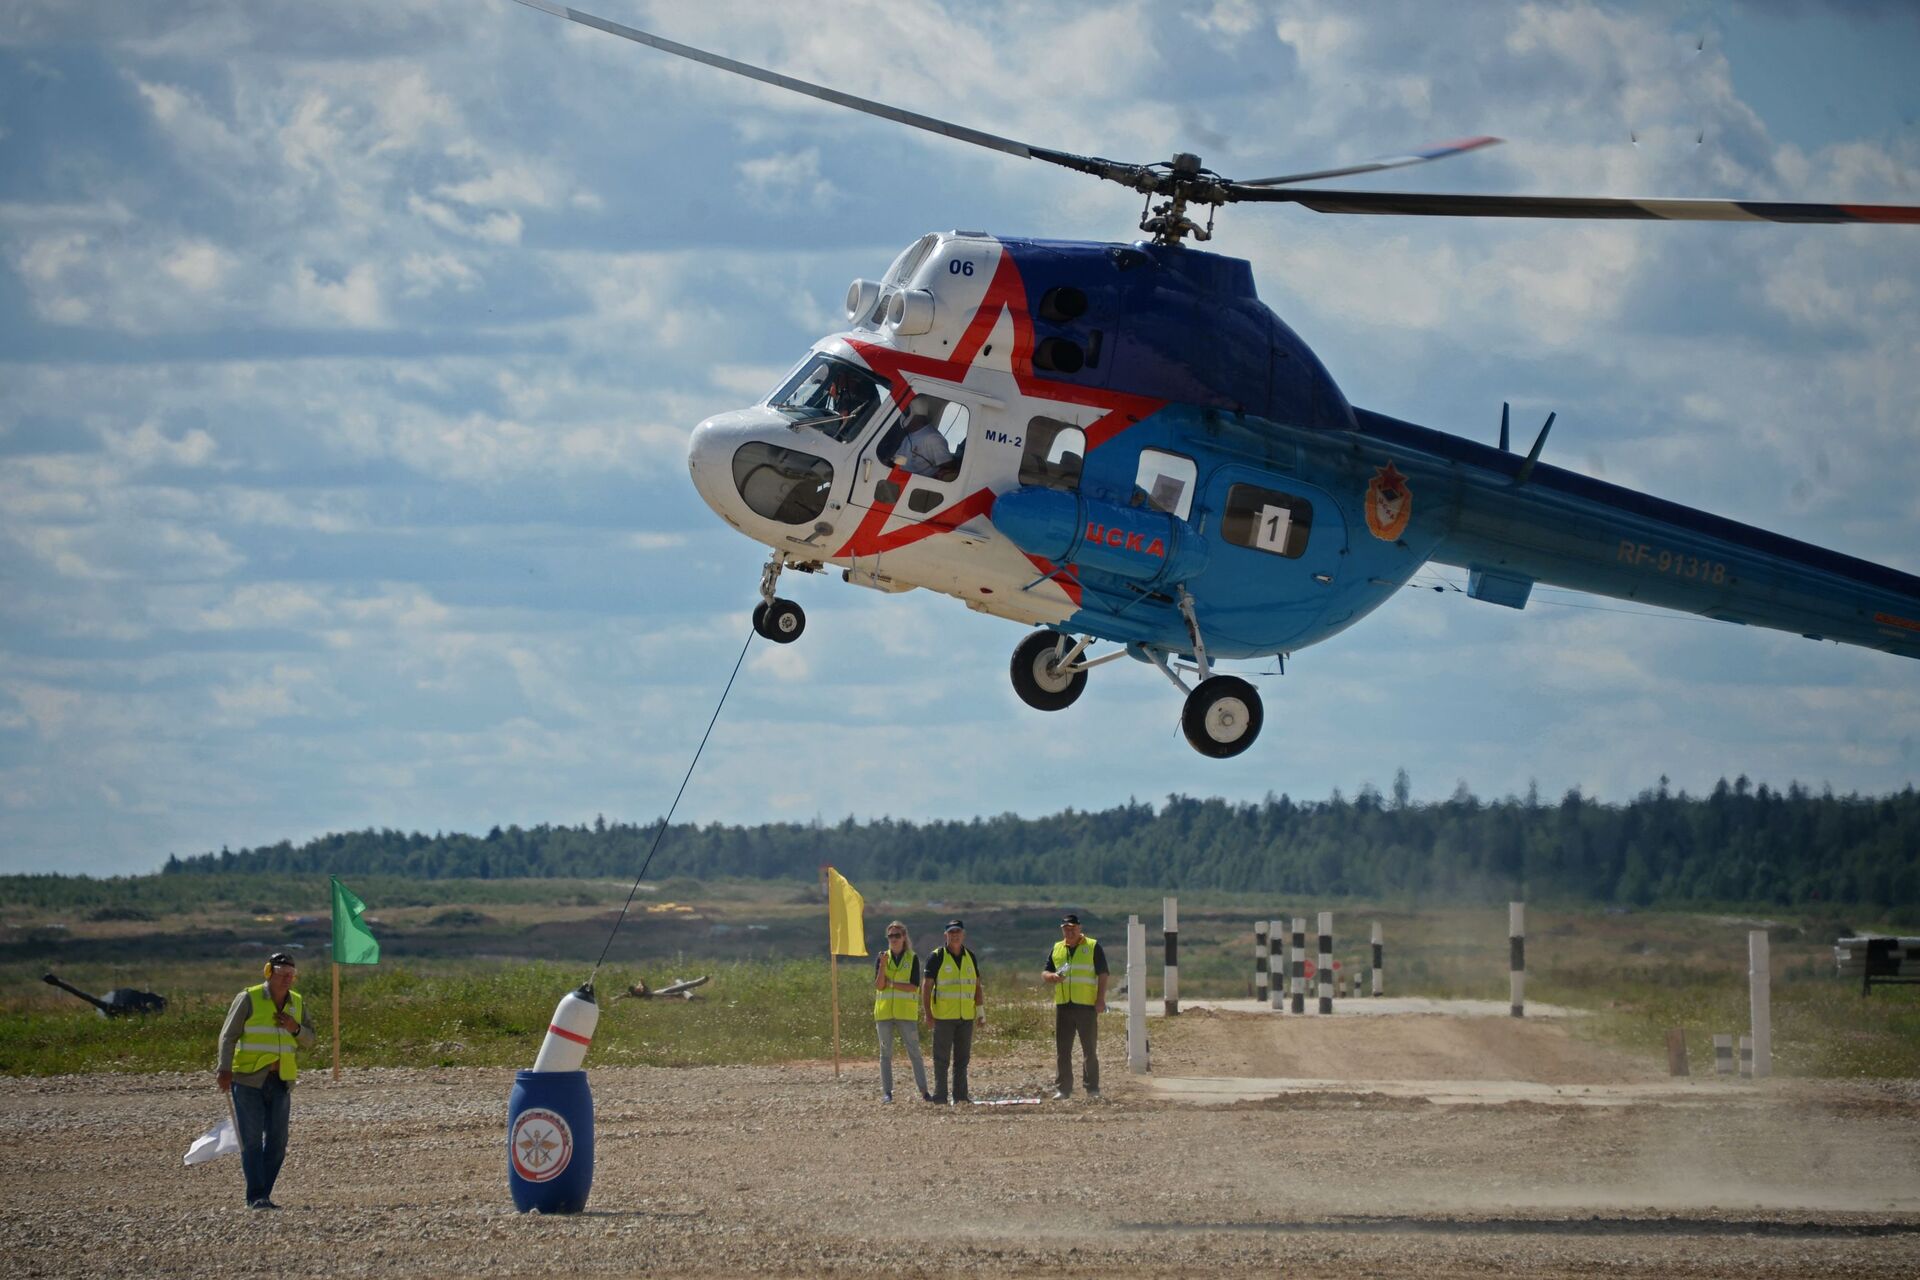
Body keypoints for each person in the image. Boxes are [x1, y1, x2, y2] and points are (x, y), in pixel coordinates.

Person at [216, 952, 317, 1208]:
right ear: (269, 973)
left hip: (281, 1080)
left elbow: (310, 1039)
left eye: (291, 976)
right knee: (250, 1141)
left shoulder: (296, 1002)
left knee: (277, 1142)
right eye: (282, 974)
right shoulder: (248, 998)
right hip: (248, 1079)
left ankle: (264, 1193)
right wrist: (224, 1068)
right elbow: (228, 1036)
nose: (287, 980)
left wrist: (294, 1028)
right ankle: (257, 1196)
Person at [1042, 913, 1108, 1100]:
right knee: (1063, 1051)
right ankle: (1063, 1089)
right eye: (1066, 928)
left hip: (1086, 1006)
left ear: (1079, 928)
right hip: (1064, 1006)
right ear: (1062, 930)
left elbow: (1103, 974)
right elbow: (1045, 971)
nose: (1069, 931)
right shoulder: (1057, 948)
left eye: (1072, 928)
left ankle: (1092, 1089)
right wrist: (1051, 977)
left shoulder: (1093, 946)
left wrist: (1100, 999)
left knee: (1089, 1050)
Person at [921, 919, 983, 1104]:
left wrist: (980, 1012)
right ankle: (940, 1097)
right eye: (951, 932)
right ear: (945, 935)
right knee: (941, 1059)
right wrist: (928, 1013)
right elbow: (926, 986)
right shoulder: (937, 956)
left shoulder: (970, 957)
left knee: (962, 1059)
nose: (955, 935)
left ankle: (961, 1097)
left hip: (966, 1016)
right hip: (944, 1016)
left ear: (963, 934)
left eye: (958, 932)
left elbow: (977, 986)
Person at [873, 920, 929, 1103]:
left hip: (906, 1013)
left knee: (914, 1053)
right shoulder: (882, 957)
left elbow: (912, 987)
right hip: (884, 1013)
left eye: (897, 935)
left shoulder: (911, 958)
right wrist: (882, 965)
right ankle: (887, 1092)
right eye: (890, 936)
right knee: (885, 1054)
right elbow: (879, 986)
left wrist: (892, 984)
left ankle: (924, 1091)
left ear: (904, 937)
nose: (894, 939)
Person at [895, 402, 954, 478]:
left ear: (916, 415)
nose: (903, 416)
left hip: (914, 483)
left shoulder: (933, 438)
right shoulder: (909, 436)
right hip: (900, 478)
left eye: (906, 413)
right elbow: (902, 460)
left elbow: (948, 466)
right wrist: (890, 462)